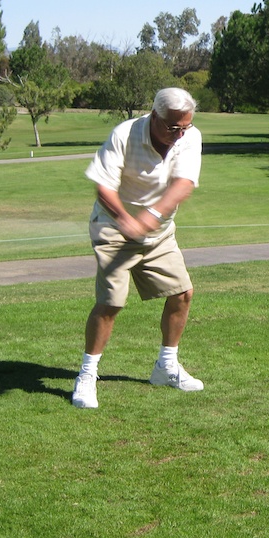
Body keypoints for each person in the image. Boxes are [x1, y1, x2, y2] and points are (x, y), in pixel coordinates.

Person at [72, 87, 204, 409]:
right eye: (173, 127)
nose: (179, 133)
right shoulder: (124, 134)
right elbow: (103, 185)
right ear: (154, 115)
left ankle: (166, 367)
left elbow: (183, 185)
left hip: (157, 232)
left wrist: (149, 218)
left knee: (182, 293)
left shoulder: (189, 136)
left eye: (184, 126)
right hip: (113, 229)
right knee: (111, 302)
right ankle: (87, 376)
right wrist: (125, 218)